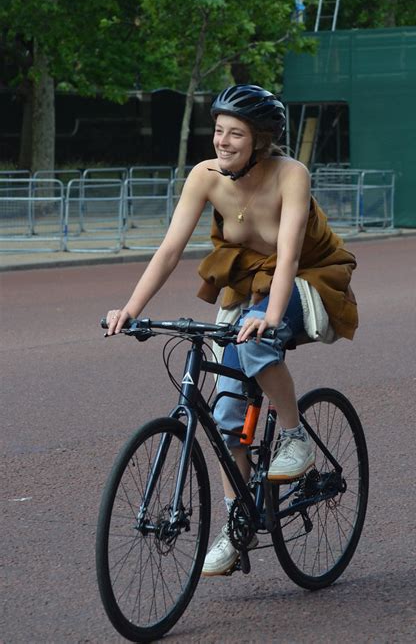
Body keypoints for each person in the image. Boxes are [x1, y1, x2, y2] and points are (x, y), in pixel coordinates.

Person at [106, 84, 358, 577]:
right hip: (246, 287)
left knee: (258, 340)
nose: (222, 141)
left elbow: (287, 256)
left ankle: (295, 436)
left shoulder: (291, 174)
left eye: (235, 134)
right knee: (226, 418)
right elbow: (170, 250)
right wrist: (131, 309)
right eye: (218, 131)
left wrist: (268, 317)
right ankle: (236, 527)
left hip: (308, 279)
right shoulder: (205, 176)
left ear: (260, 140)